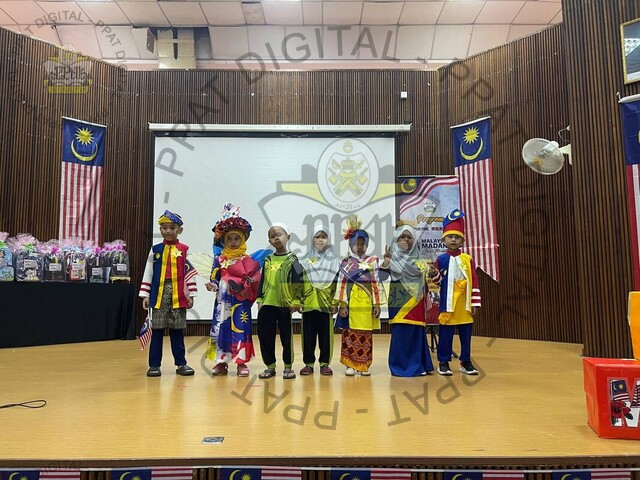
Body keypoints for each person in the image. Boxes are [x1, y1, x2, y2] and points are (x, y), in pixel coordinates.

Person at [139, 210, 198, 377]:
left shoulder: (184, 250)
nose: (168, 231)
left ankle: (181, 363)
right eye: (164, 228)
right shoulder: (155, 250)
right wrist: (145, 294)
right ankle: (154, 365)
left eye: (172, 228)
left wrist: (191, 294)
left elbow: (189, 273)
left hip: (178, 295)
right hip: (159, 295)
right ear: (160, 229)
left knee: (177, 331)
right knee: (157, 331)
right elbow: (148, 272)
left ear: (180, 230)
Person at [206, 203, 259, 377]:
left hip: (241, 301)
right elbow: (214, 277)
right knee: (222, 327)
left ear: (243, 240)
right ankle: (221, 361)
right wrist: (213, 285)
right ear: (224, 241)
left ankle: (241, 361)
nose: (233, 242)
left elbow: (254, 279)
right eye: (230, 239)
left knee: (241, 328)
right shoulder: (219, 259)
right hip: (223, 300)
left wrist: (250, 283)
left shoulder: (247, 259)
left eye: (237, 238)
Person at [430, 209, 481, 376]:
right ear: (443, 239)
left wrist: (474, 303)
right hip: (448, 303)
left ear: (462, 240)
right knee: (445, 334)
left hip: (464, 305)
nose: (453, 240)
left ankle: (465, 361)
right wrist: (433, 274)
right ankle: (443, 362)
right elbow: (438, 282)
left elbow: (474, 280)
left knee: (466, 335)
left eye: (457, 237)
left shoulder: (468, 259)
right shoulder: (441, 259)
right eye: (450, 236)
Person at [334, 216, 385, 376]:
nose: (360, 247)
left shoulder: (372, 261)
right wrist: (342, 304)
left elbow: (376, 282)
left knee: (366, 334)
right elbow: (341, 284)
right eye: (357, 243)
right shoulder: (346, 262)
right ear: (351, 244)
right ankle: (350, 364)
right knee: (349, 334)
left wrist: (377, 304)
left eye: (363, 243)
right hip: (351, 303)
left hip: (366, 303)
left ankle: (364, 365)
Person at [256, 222, 304, 380]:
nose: (276, 238)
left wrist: (296, 300)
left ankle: (288, 366)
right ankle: (270, 366)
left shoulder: (293, 259)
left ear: (288, 237)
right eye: (272, 236)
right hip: (267, 304)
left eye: (279, 234)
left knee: (286, 337)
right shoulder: (268, 260)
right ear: (269, 241)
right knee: (265, 336)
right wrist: (260, 299)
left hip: (285, 305)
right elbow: (262, 280)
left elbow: (298, 281)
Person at [385, 223, 434, 377]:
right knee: (401, 332)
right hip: (399, 299)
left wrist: (432, 272)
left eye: (409, 237)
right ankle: (400, 366)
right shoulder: (392, 258)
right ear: (396, 239)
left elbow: (427, 276)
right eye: (402, 237)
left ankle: (418, 365)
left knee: (415, 332)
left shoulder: (419, 260)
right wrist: (386, 262)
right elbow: (383, 272)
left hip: (416, 301)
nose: (406, 240)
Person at [299, 223, 340, 376]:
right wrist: (299, 301)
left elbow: (337, 283)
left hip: (326, 304)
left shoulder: (334, 261)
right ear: (312, 239)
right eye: (317, 237)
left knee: (325, 337)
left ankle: (324, 364)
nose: (320, 240)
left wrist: (335, 302)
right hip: (309, 304)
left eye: (324, 237)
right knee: (308, 337)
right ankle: (308, 364)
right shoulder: (304, 260)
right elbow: (299, 283)